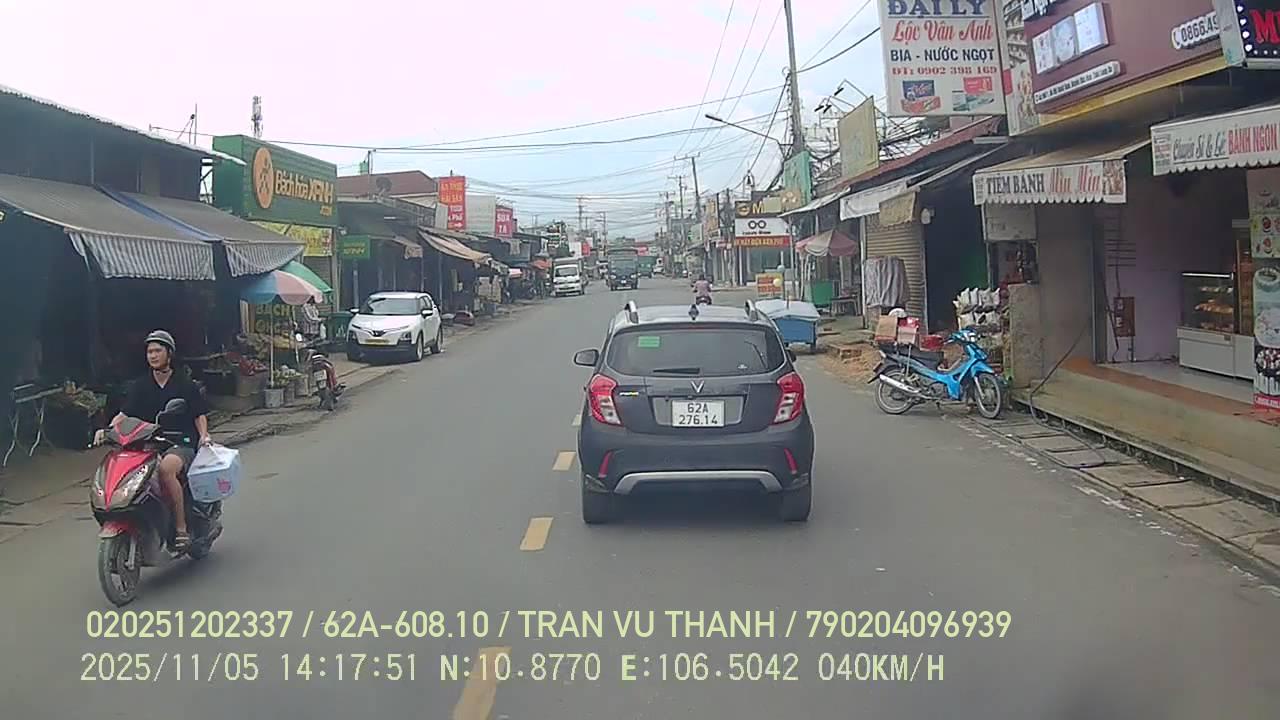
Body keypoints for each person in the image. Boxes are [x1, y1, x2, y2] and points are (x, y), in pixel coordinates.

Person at [97, 330, 211, 552]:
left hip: (180, 442)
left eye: (158, 350)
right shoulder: (141, 385)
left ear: (169, 353)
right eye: (150, 351)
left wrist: (204, 436)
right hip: (149, 443)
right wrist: (107, 430)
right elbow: (125, 414)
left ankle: (181, 529)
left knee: (166, 469)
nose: (153, 355)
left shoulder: (184, 383)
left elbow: (199, 414)